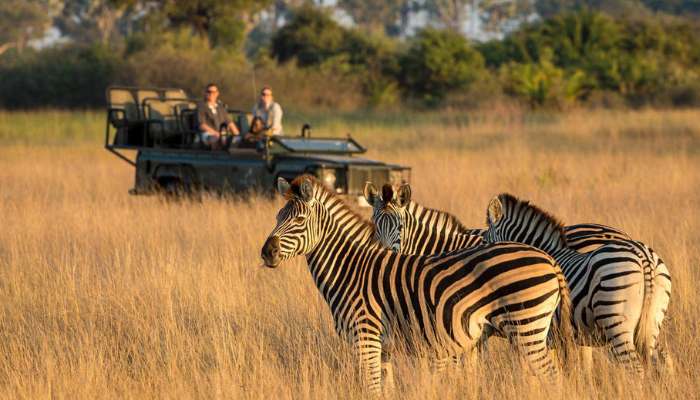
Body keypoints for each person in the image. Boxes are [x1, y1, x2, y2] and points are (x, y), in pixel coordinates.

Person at [197, 83, 240, 149]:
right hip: (208, 134)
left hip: (222, 134)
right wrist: (216, 133)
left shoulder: (221, 107)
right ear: (205, 93)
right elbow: (202, 125)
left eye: (213, 92)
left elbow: (229, 122)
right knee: (216, 139)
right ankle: (216, 156)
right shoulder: (201, 107)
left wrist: (237, 135)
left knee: (237, 140)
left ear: (217, 93)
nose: (211, 94)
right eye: (209, 92)